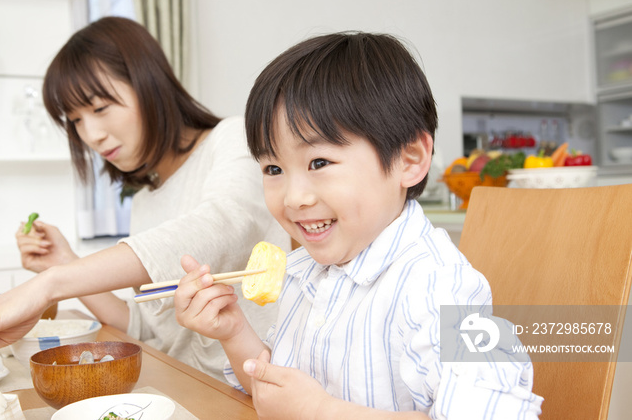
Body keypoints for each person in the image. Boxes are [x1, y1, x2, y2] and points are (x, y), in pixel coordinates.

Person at [173, 32, 544, 418]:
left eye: (319, 162)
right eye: (273, 169)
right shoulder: (306, 271)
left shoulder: (439, 285)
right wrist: (233, 331)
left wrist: (323, 412)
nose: (293, 197)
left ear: (409, 159)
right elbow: (282, 397)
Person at [0, 16, 288, 384]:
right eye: (76, 121)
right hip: (182, 387)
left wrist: (49, 285)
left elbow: (223, 225)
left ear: (150, 83)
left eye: (100, 109)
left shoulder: (232, 139)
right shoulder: (145, 198)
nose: (92, 135)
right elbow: (146, 327)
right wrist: (65, 261)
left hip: (256, 388)